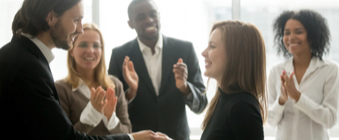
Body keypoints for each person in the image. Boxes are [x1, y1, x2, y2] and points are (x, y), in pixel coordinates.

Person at [0, 0, 169, 140]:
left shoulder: (22, 56)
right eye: (76, 20)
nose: (80, 29)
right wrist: (132, 138)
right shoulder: (29, 67)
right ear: (51, 17)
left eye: (97, 46)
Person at [108, 0, 208, 139]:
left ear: (159, 16)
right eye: (141, 17)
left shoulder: (185, 50)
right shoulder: (119, 55)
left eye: (152, 14)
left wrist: (185, 87)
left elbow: (202, 105)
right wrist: (130, 92)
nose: (149, 20)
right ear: (130, 24)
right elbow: (112, 110)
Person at [267, 10, 339, 140]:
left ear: (312, 35)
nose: (291, 37)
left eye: (298, 32)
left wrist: (298, 97)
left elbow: (330, 120)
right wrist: (281, 101)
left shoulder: (330, 70)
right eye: (287, 33)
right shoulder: (276, 71)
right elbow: (271, 122)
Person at [55, 23, 132, 135]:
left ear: (101, 51)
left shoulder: (115, 84)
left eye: (96, 46)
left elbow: (128, 133)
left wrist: (110, 118)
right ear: (71, 50)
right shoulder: (61, 89)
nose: (90, 50)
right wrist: (91, 115)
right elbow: (62, 136)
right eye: (83, 45)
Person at [200, 20, 266, 140]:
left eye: (212, 46)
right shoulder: (223, 98)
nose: (203, 53)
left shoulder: (241, 108)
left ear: (234, 54)